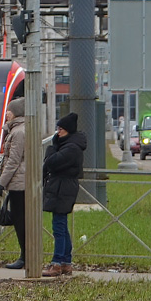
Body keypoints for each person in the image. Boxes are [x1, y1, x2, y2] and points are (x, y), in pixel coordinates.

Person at [42, 111, 87, 277]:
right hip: (62, 187)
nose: (58, 131)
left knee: (58, 227)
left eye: (61, 129)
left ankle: (57, 263)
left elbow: (51, 162)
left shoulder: (71, 148)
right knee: (61, 225)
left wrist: (52, 147)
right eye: (58, 128)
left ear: (68, 130)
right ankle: (66, 262)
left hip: (63, 188)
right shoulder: (70, 145)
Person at [0, 98, 28, 269]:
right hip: (20, 182)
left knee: (20, 220)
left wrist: (1, 183)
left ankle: (25, 257)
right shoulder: (18, 130)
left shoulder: (18, 132)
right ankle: (25, 255)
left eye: (9, 111)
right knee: (20, 219)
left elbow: (13, 161)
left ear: (15, 113)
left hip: (19, 183)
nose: (6, 114)